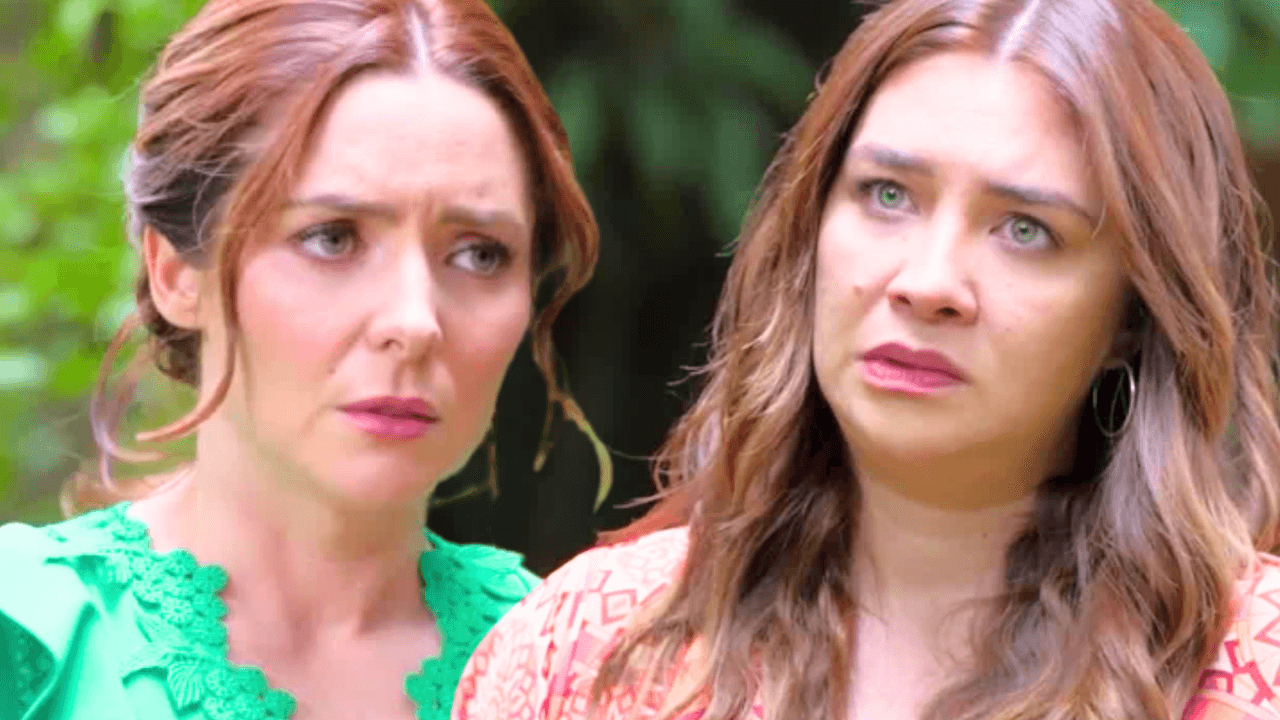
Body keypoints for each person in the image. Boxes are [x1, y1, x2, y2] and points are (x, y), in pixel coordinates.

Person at [452, 0, 1280, 717]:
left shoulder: (1256, 671)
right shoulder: (582, 653)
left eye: (1026, 230)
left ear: (1133, 316)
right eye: (887, 195)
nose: (927, 283)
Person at [0, 0, 602, 718]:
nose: (415, 322)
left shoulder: (573, 671)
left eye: (480, 254)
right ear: (176, 273)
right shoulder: (28, 639)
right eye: (332, 238)